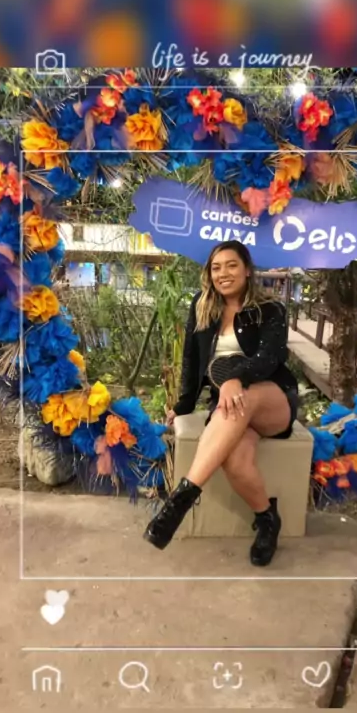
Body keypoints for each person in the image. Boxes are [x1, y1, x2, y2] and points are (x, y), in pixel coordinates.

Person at [144, 240, 299, 567]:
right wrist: (184, 405)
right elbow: (191, 360)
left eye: (231, 265)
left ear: (247, 270)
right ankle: (268, 519)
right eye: (216, 268)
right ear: (209, 273)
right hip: (232, 407)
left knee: (247, 395)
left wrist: (235, 377)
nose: (223, 273)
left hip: (272, 400)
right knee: (235, 462)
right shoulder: (202, 305)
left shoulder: (270, 308)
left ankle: (182, 499)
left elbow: (271, 357)